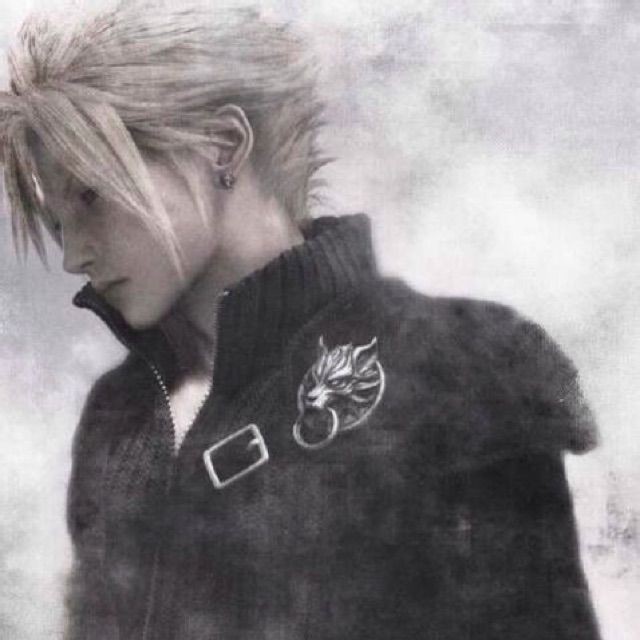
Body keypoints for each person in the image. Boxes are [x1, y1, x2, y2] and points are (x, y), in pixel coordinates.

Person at [0, 2, 602, 639]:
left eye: (91, 196)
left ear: (223, 146)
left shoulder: (463, 364)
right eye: (58, 223)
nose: (72, 255)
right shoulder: (118, 417)